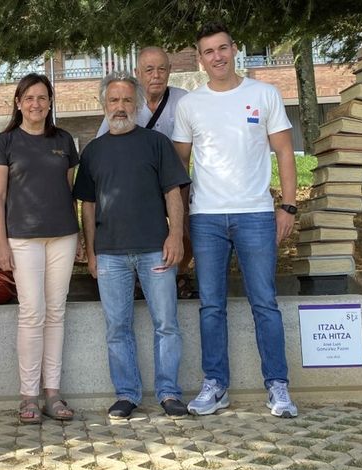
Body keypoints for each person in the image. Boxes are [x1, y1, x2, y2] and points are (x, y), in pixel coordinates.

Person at [171, 22, 299, 418]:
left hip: (256, 214)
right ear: (200, 58)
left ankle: (278, 387)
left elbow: (284, 153)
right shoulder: (190, 105)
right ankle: (215, 385)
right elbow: (179, 165)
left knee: (265, 303)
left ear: (235, 49)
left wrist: (288, 206)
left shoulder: (264, 94)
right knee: (211, 306)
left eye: (222, 48)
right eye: (208, 52)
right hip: (206, 218)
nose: (217, 57)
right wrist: (179, 218)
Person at [73, 72, 190, 420]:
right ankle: (126, 394)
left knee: (166, 322)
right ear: (103, 105)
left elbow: (174, 193)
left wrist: (176, 236)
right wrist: (91, 252)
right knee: (117, 327)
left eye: (126, 101)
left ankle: (169, 392)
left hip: (156, 248)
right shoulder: (93, 152)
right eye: (114, 101)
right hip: (109, 254)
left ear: (137, 105)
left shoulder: (156, 143)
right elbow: (88, 206)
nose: (120, 107)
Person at [0, 74, 79, 424]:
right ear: (18, 103)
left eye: (42, 98)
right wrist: (1, 243)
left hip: (63, 237)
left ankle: (53, 394)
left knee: (56, 312)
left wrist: (81, 237)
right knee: (32, 313)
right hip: (22, 239)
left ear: (50, 103)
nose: (36, 104)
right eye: (29, 98)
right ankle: (29, 396)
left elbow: (67, 192)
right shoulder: (5, 143)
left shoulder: (64, 140)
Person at [98, 47, 193, 297]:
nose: (156, 75)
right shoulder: (125, 102)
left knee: (185, 228)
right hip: (138, 186)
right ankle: (139, 280)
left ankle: (179, 275)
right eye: (149, 70)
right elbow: (103, 148)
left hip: (177, 179)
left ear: (170, 71)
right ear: (137, 72)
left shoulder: (184, 101)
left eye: (162, 69)